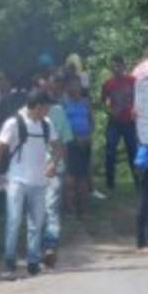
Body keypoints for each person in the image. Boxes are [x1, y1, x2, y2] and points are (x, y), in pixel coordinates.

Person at [0, 89, 61, 280]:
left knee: (36, 223)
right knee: (14, 221)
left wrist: (53, 164)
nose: (49, 110)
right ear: (38, 107)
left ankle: (33, 262)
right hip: (16, 180)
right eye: (47, 107)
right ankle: (9, 262)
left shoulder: (46, 124)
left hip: (39, 181)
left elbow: (57, 147)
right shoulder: (14, 123)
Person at [41, 75, 74, 268]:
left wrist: (66, 169)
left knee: (50, 209)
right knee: (45, 209)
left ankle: (49, 246)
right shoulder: (26, 114)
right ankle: (43, 246)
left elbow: (65, 142)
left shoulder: (59, 112)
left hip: (53, 167)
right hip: (37, 169)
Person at [100, 54, 137, 191]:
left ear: (123, 66)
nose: (116, 69)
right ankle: (110, 183)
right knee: (110, 151)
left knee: (133, 151)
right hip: (114, 122)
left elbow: (141, 98)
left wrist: (136, 110)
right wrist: (109, 110)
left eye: (118, 66)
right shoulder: (108, 84)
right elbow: (103, 102)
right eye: (113, 66)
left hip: (129, 121)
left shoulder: (132, 81)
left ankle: (138, 181)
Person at [62, 76, 93, 217]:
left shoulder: (85, 102)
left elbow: (91, 120)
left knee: (83, 176)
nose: (74, 88)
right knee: (70, 176)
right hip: (70, 143)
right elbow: (63, 124)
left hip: (85, 142)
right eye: (71, 85)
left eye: (76, 85)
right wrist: (74, 137)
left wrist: (88, 135)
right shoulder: (64, 103)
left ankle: (84, 207)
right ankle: (70, 207)